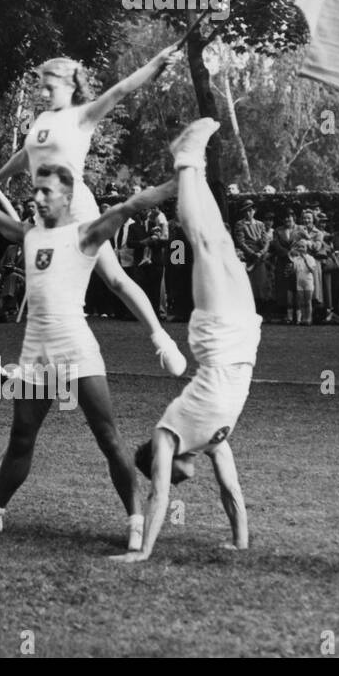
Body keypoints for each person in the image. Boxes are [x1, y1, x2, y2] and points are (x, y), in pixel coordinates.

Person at [0, 165, 183, 551]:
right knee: (21, 437)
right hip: (36, 353)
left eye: (46, 192)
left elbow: (132, 204)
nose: (38, 198)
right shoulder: (30, 233)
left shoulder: (85, 235)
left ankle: (136, 520)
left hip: (75, 349)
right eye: (36, 191)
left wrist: (177, 181)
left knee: (107, 436)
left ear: (67, 198)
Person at [0, 51, 188, 373]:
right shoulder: (42, 121)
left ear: (70, 85)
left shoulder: (83, 116)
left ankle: (162, 340)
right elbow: (25, 156)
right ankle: (44, 363)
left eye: (50, 87)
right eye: (41, 87)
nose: (43, 93)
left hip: (76, 207)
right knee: (48, 287)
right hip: (45, 209)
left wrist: (157, 63)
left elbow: (122, 90)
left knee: (114, 279)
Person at [110, 119, 259, 562]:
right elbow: (231, 490)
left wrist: (143, 553)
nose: (180, 482)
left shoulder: (166, 437)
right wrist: (240, 541)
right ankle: (189, 168)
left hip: (217, 342)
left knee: (199, 241)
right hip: (245, 340)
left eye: (174, 476)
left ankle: (187, 159)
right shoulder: (214, 439)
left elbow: (157, 496)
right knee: (222, 242)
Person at [233, 200, 272, 313]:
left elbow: (266, 241)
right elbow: (241, 242)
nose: (248, 213)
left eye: (250, 210)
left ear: (254, 211)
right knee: (248, 285)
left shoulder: (260, 224)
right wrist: (252, 253)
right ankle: (246, 311)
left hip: (259, 257)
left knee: (261, 285)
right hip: (248, 257)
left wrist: (261, 252)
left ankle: (260, 311)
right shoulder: (240, 224)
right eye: (246, 211)